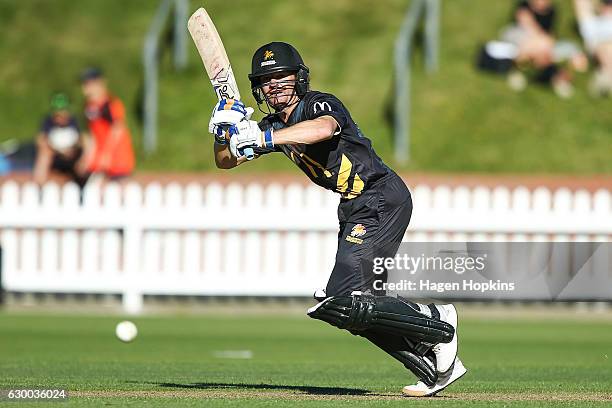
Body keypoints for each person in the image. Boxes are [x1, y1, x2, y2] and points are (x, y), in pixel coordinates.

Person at [208, 42, 466, 397]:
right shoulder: (271, 125)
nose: (275, 85)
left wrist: (264, 137)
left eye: (282, 76)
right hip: (355, 206)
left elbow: (323, 130)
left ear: (299, 78)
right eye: (267, 80)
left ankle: (436, 320)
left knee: (347, 297)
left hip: (380, 196)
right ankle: (431, 363)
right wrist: (223, 130)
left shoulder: (318, 104)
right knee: (345, 307)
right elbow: (226, 161)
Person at [502, 0, 587, 97]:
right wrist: (545, 41)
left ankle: (524, 73)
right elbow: (528, 25)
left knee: (565, 49)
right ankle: (555, 77)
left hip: (542, 46)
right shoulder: (524, 5)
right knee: (540, 47)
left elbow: (551, 33)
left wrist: (547, 42)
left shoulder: (552, 11)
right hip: (524, 38)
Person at [80, 67, 135, 182]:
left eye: (88, 84)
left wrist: (107, 155)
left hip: (117, 161)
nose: (85, 88)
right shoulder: (88, 106)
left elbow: (118, 129)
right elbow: (91, 134)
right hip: (99, 161)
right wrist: (88, 157)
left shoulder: (110, 104)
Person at [33, 92, 87, 186]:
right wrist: (57, 150)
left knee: (85, 153)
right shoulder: (48, 122)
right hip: (55, 154)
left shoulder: (74, 121)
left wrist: (73, 150)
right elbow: (41, 140)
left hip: (72, 154)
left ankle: (85, 182)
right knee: (44, 155)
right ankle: (39, 186)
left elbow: (81, 140)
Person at [574, 0, 612, 96]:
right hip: (599, 48)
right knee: (607, 48)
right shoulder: (592, 23)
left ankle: (606, 77)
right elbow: (581, 3)